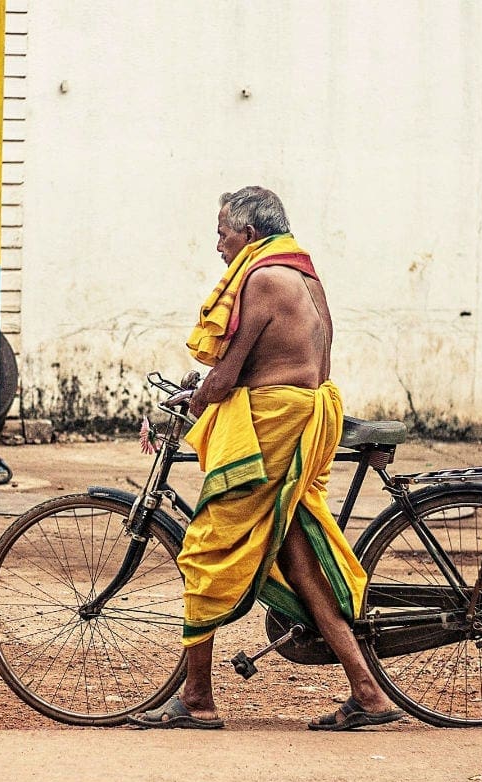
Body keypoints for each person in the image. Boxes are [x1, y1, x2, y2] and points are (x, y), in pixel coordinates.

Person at [128, 186, 403, 731]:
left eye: (222, 233)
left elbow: (228, 375)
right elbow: (252, 362)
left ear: (248, 234)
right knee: (300, 558)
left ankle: (198, 700)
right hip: (301, 415)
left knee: (206, 548)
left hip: (272, 425)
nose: (218, 245)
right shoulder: (301, 274)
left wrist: (190, 402)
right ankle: (370, 694)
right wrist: (200, 388)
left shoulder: (262, 278)